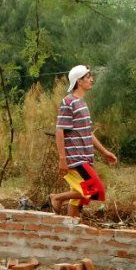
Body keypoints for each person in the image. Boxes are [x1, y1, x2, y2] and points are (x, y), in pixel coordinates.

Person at [49, 65, 118, 217]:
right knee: (94, 191)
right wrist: (62, 158)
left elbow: (88, 133)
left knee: (76, 197)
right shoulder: (68, 102)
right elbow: (59, 131)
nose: (91, 80)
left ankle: (71, 229)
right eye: (88, 77)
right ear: (78, 81)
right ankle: (56, 198)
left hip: (85, 157)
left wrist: (105, 152)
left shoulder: (82, 103)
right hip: (75, 159)